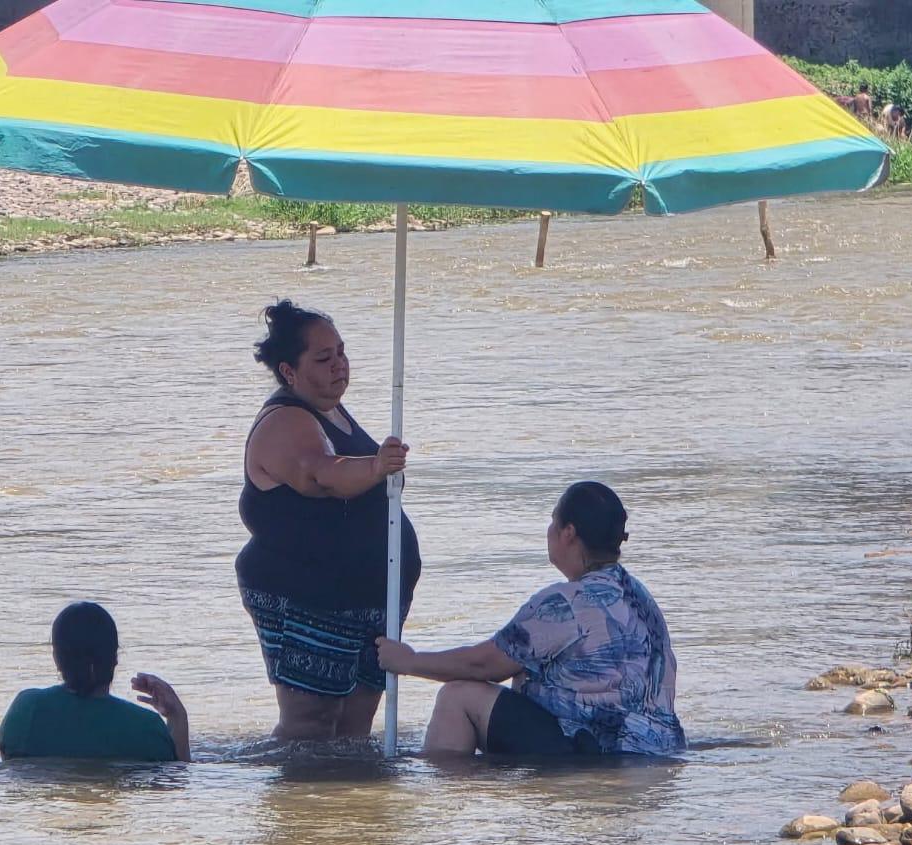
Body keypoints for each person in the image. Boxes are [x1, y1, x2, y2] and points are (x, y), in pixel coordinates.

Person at [376, 481, 686, 760]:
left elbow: (484, 665)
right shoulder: (640, 595)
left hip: (595, 749)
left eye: (553, 521)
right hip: (658, 745)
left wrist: (409, 661)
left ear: (568, 533)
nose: (549, 530)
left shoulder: (566, 602)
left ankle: (451, 792)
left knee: (457, 697)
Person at [237, 300, 422, 740]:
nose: (340, 365)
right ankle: (286, 786)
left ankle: (350, 789)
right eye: (323, 358)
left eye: (341, 352)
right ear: (289, 371)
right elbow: (321, 475)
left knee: (354, 729)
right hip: (307, 595)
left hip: (371, 595)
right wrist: (375, 467)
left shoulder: (332, 409)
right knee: (312, 724)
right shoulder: (285, 421)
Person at [0, 601, 190, 762]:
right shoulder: (147, 727)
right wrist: (177, 717)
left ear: (57, 658)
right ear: (115, 658)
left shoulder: (25, 709)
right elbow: (176, 780)